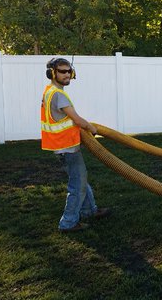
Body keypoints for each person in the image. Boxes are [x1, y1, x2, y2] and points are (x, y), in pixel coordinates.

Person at [41, 57, 110, 232]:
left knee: (80, 180)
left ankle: (89, 210)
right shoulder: (58, 94)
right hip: (67, 147)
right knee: (77, 184)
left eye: (69, 71)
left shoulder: (49, 91)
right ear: (52, 73)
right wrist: (92, 128)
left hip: (63, 146)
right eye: (62, 71)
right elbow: (77, 119)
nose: (67, 75)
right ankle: (68, 223)